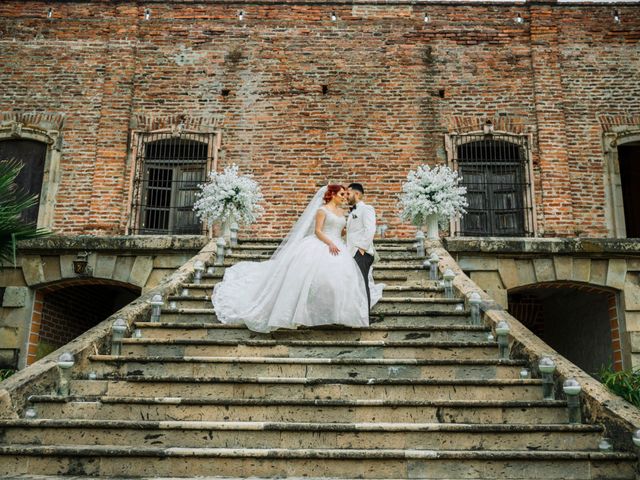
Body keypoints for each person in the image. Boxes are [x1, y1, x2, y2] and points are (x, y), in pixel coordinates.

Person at [211, 184, 383, 333]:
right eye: (341, 194)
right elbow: (318, 231)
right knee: (308, 280)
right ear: (331, 195)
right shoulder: (321, 210)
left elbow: (343, 230)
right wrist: (330, 243)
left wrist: (348, 237)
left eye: (345, 195)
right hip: (323, 245)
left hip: (340, 247)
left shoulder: (341, 212)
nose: (344, 197)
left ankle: (336, 314)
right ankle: (302, 314)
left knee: (338, 281)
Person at [345, 182, 377, 318]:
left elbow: (370, 229)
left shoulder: (367, 208)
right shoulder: (352, 212)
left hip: (361, 253)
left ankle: (365, 317)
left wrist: (362, 249)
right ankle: (355, 315)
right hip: (350, 252)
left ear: (357, 194)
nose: (346, 196)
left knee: (362, 284)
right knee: (355, 284)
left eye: (348, 193)